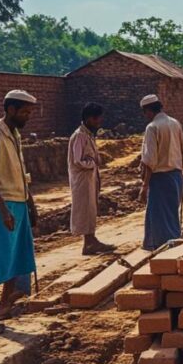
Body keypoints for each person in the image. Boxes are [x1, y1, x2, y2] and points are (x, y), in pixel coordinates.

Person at [0, 90, 39, 334]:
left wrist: (31, 204)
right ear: (10, 110)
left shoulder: (15, 136)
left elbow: (23, 177)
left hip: (19, 203)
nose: (28, 117)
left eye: (29, 113)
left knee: (18, 257)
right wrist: (3, 211)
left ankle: (3, 306)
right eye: (24, 112)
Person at [138, 94, 183, 251]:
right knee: (170, 213)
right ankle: (171, 242)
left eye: (145, 112)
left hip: (160, 178)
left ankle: (164, 248)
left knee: (159, 216)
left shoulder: (152, 127)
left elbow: (150, 160)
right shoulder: (175, 123)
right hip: (176, 177)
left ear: (148, 111)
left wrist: (144, 186)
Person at [68, 102, 115, 255]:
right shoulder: (80, 136)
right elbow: (77, 160)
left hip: (90, 177)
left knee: (91, 207)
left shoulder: (88, 134)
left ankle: (91, 240)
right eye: (97, 120)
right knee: (85, 208)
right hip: (82, 179)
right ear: (89, 119)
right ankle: (89, 242)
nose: (99, 123)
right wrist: (92, 163)